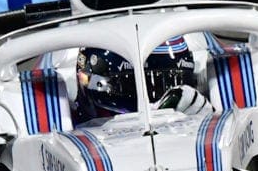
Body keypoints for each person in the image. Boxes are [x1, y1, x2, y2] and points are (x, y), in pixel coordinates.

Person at [72, 36, 214, 123]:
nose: (154, 103)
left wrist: (206, 122)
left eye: (163, 86)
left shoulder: (192, 106)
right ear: (93, 82)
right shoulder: (63, 127)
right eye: (129, 86)